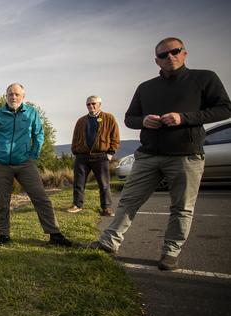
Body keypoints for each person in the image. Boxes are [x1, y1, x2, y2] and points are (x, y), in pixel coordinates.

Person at [88, 37, 231, 270]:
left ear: (184, 53)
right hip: (149, 154)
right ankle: (109, 242)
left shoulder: (204, 78)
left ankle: (170, 252)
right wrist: (143, 120)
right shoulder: (146, 88)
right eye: (163, 55)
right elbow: (130, 118)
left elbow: (225, 108)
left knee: (182, 207)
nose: (170, 57)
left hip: (186, 154)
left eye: (174, 52)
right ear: (157, 61)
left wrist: (184, 118)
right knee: (129, 200)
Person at [0, 83, 72, 247]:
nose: (13, 97)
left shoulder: (31, 113)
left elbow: (39, 135)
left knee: (41, 198)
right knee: (3, 201)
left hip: (25, 164)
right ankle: (3, 235)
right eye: (10, 94)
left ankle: (55, 234)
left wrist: (33, 156)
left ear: (23, 96)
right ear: (6, 96)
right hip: (1, 164)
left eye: (16, 94)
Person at [67, 95, 120, 216]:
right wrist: (75, 150)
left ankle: (106, 208)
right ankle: (77, 205)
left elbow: (115, 136)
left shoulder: (108, 118)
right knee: (78, 183)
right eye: (88, 104)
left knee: (104, 184)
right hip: (82, 156)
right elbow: (75, 137)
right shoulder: (81, 120)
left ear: (99, 104)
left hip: (101, 156)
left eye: (93, 103)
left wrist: (111, 153)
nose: (91, 106)